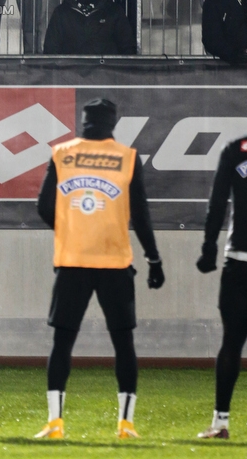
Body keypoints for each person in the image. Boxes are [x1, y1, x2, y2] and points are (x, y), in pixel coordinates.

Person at [36, 98, 164, 440]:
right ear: (113, 123)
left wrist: (69, 228)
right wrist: (154, 258)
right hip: (114, 262)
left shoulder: (62, 154)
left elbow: (43, 207)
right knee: (123, 342)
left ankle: (55, 423)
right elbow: (141, 214)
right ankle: (125, 424)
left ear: (83, 121)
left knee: (62, 341)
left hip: (72, 260)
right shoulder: (126, 157)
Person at [196, 89, 247, 441]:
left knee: (232, 341)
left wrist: (208, 248)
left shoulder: (235, 148)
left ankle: (221, 423)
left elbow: (216, 204)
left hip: (240, 258)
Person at [43, 0, 136, 56]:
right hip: (71, 69)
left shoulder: (113, 11)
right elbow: (51, 49)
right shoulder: (62, 12)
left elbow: (127, 47)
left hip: (106, 69)